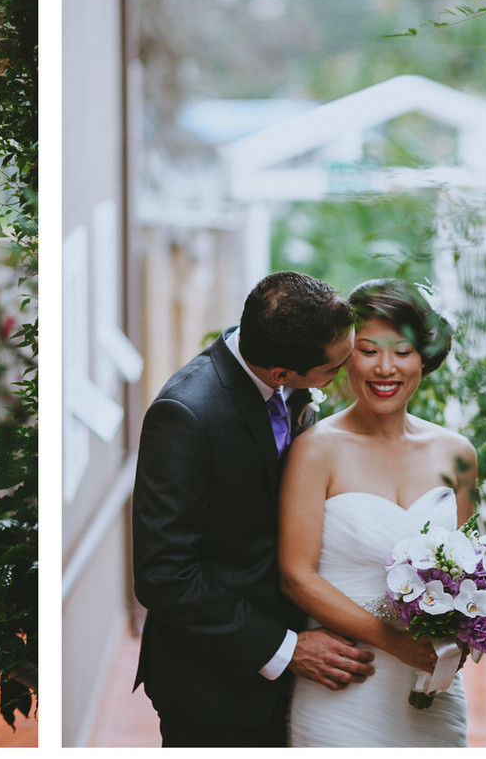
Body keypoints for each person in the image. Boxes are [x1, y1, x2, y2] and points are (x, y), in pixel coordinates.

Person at [132, 270, 375, 747]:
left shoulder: (280, 361)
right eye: (334, 368)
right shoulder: (185, 414)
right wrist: (286, 649)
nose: (347, 372)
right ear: (281, 374)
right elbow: (164, 575)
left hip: (300, 685)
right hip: (216, 689)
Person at [279, 278, 477, 747]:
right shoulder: (314, 451)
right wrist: (392, 642)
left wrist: (473, 628)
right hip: (344, 682)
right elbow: (295, 575)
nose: (385, 368)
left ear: (424, 358)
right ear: (345, 354)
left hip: (433, 685)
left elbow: (469, 569)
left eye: (402, 351)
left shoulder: (458, 454)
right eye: (368, 350)